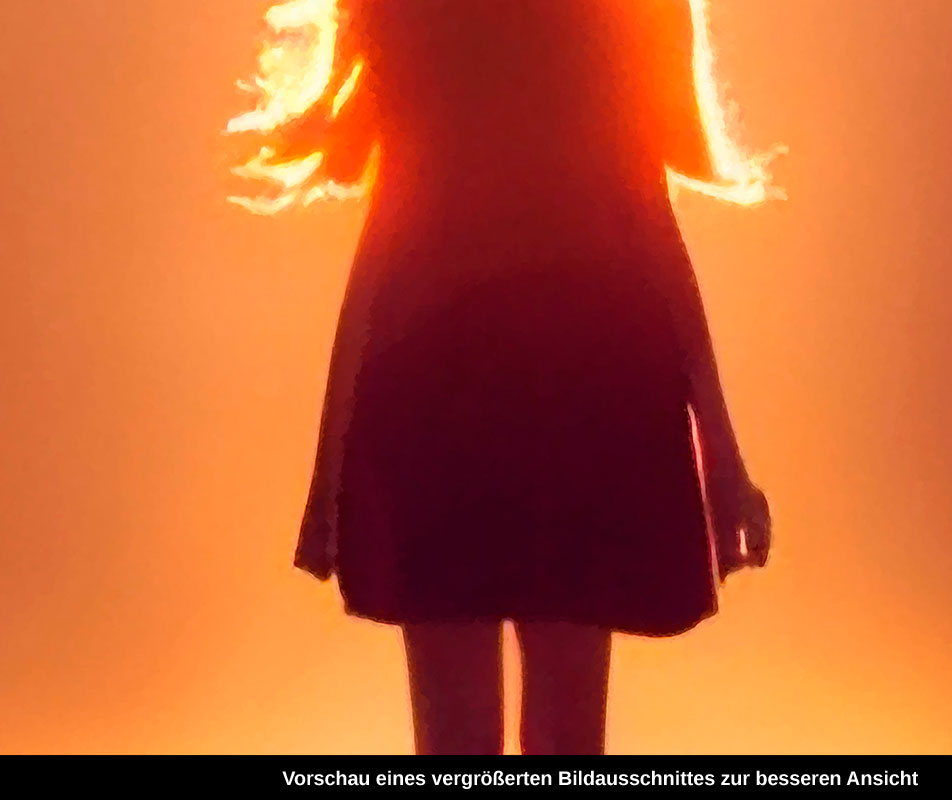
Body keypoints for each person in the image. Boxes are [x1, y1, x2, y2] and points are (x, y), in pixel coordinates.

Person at [272, 0, 771, 754]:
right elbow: (646, 216)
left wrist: (722, 456)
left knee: (474, 742)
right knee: (551, 740)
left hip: (471, 387)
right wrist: (721, 453)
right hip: (563, 385)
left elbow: (389, 229)